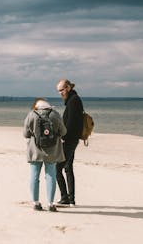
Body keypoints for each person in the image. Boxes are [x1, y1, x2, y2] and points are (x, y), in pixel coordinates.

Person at [24, 98, 66, 212]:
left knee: (34, 176)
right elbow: (63, 132)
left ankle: (36, 203)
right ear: (48, 106)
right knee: (50, 176)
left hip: (35, 150)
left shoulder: (31, 114)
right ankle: (51, 204)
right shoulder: (55, 114)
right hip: (52, 151)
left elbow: (26, 134)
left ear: (37, 106)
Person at [55, 79, 84, 207]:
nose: (60, 93)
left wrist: (62, 136)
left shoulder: (73, 101)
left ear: (68, 88)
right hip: (72, 139)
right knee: (68, 168)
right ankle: (71, 199)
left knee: (57, 168)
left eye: (62, 90)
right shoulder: (73, 100)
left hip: (70, 140)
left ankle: (65, 198)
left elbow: (71, 124)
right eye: (59, 91)